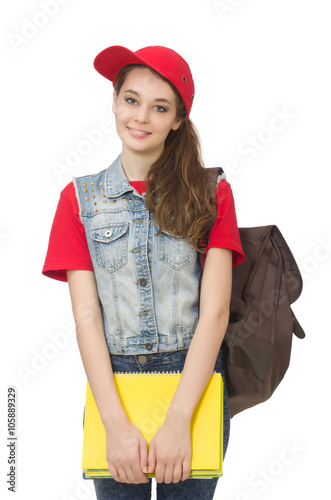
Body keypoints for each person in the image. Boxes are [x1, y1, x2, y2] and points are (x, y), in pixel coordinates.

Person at [42, 45, 245, 500]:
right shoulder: (78, 201)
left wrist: (179, 420)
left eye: (159, 107)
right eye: (131, 100)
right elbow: (87, 317)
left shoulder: (213, 194)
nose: (141, 117)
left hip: (193, 383)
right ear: (114, 102)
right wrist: (114, 425)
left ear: (177, 120)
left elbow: (214, 314)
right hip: (113, 386)